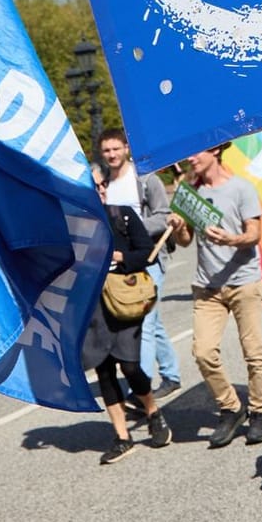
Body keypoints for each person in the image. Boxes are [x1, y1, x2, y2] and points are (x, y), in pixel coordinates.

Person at [167, 145, 262, 448]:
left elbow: (254, 234)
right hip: (207, 287)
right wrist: (178, 227)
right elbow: (186, 240)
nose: (190, 157)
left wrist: (232, 239)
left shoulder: (242, 188)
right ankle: (230, 408)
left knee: (253, 351)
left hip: (243, 282)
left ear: (214, 151)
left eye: (195, 153)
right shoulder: (189, 191)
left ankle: (260, 413)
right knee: (202, 352)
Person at [85, 179, 172, 464]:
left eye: (100, 185)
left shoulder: (120, 214)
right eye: (89, 186)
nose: (97, 190)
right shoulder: (73, 225)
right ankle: (122, 437)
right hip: (92, 306)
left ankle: (152, 411)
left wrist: (122, 257)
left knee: (131, 365)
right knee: (105, 370)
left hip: (124, 301)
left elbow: (146, 252)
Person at [97, 129, 177, 396]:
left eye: (116, 149)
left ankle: (138, 391)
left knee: (144, 324)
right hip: (121, 266)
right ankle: (171, 371)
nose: (111, 155)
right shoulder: (104, 184)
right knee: (149, 319)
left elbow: (164, 215)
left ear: (126, 149)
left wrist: (134, 227)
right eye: (107, 150)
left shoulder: (145, 180)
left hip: (149, 256)